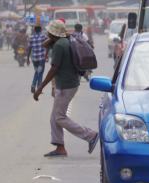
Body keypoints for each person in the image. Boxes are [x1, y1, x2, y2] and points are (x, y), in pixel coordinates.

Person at [33, 20, 99, 158]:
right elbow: (45, 45)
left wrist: (40, 87)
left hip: (65, 86)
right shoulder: (65, 40)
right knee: (54, 117)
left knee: (59, 117)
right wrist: (49, 41)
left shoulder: (59, 46)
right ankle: (60, 147)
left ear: (53, 33)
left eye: (49, 31)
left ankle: (90, 135)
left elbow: (54, 68)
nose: (47, 33)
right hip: (70, 83)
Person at [27, 25, 47, 94]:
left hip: (34, 59)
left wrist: (27, 59)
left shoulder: (31, 37)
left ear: (34, 30)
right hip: (41, 58)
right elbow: (48, 45)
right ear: (41, 30)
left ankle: (33, 86)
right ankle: (38, 87)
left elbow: (29, 48)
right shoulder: (43, 36)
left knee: (37, 72)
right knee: (40, 73)